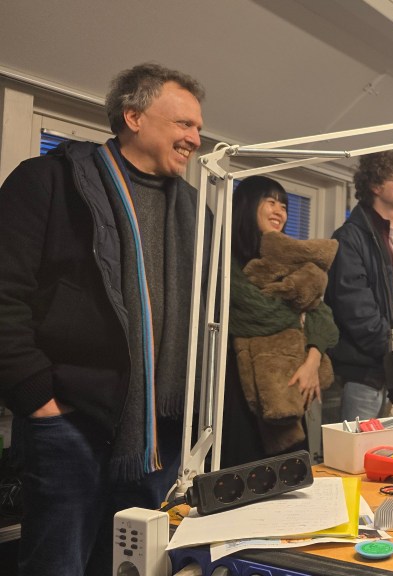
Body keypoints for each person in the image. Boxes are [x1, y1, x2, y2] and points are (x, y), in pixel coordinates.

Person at [0, 63, 204, 575]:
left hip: (160, 438)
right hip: (69, 424)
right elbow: (5, 293)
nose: (196, 139)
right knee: (58, 566)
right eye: (184, 124)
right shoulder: (49, 181)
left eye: (198, 128)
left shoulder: (197, 211)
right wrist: (36, 397)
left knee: (133, 568)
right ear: (133, 117)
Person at [220, 176, 339, 468]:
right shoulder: (226, 256)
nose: (280, 211)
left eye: (284, 206)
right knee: (246, 472)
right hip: (239, 387)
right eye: (271, 202)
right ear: (248, 205)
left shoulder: (290, 258)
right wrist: (300, 312)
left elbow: (324, 316)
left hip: (291, 384)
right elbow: (254, 312)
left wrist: (312, 361)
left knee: (291, 472)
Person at [324, 151, 393, 423]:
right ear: (375, 185)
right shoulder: (350, 237)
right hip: (368, 373)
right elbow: (355, 308)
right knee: (358, 447)